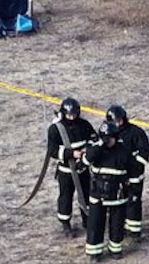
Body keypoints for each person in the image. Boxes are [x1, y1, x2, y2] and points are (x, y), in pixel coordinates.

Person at [83, 121, 134, 260]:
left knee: (117, 224)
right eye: (105, 138)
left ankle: (115, 249)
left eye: (110, 138)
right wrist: (98, 146)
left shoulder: (123, 151)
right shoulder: (96, 150)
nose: (107, 141)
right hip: (98, 194)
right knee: (95, 224)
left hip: (117, 194)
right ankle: (95, 252)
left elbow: (132, 171)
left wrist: (132, 191)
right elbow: (85, 161)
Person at [47, 97, 95, 237]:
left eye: (74, 114)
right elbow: (53, 150)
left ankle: (87, 220)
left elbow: (94, 139)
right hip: (66, 171)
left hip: (83, 169)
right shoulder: (56, 129)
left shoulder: (85, 125)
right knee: (65, 197)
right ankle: (65, 223)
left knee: (86, 195)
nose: (72, 117)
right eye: (69, 115)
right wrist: (71, 153)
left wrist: (87, 150)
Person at [106, 105, 149, 241]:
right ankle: (122, 226)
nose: (118, 124)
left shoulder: (135, 132)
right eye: (115, 122)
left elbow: (145, 152)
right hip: (118, 176)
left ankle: (134, 231)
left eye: (120, 120)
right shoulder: (109, 134)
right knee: (120, 202)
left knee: (134, 201)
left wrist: (134, 166)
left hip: (134, 176)